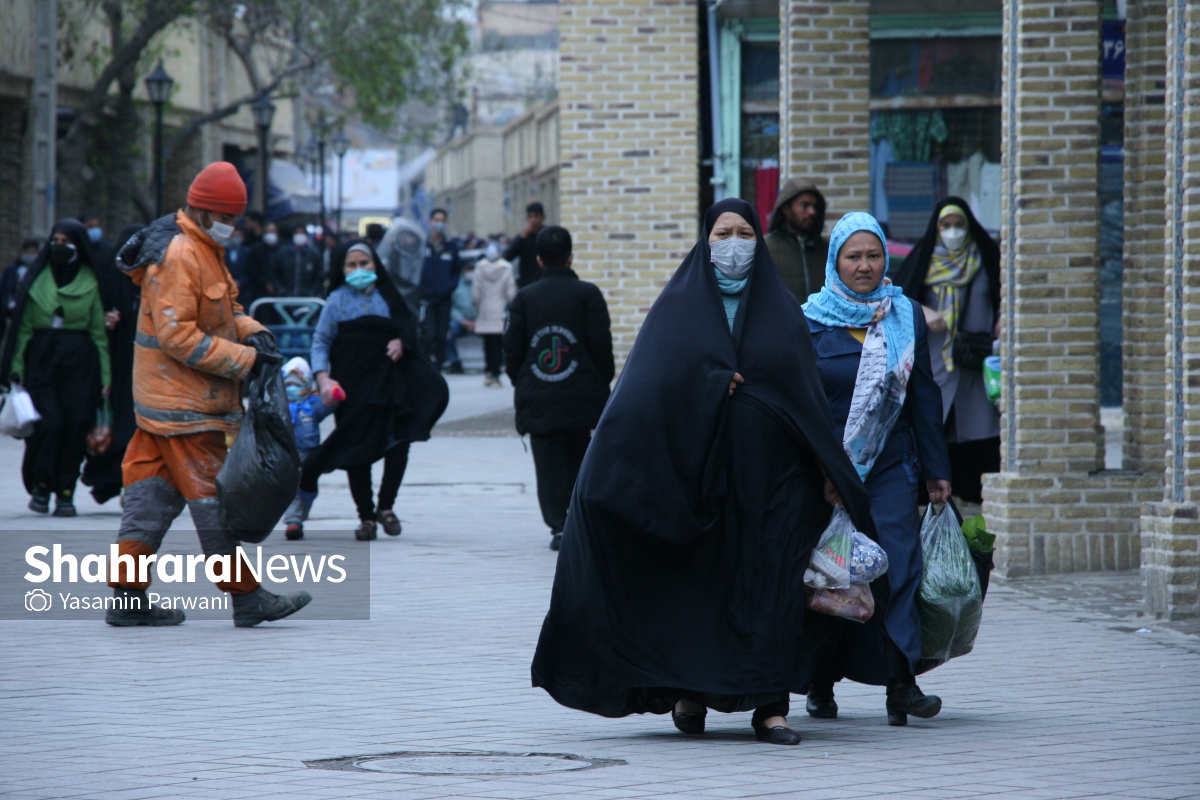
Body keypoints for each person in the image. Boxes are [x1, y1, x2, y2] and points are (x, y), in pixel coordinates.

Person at [530, 200, 875, 745]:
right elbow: (648, 388)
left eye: (744, 233)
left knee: (769, 591)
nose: (734, 243)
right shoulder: (679, 308)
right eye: (723, 233)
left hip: (775, 487)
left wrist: (830, 469)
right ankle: (692, 694)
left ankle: (770, 708)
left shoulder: (782, 311)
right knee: (701, 591)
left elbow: (807, 398)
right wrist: (708, 384)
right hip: (700, 483)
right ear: (705, 241)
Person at [103, 161, 311, 628]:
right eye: (226, 217)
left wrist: (253, 332)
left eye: (236, 218)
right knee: (214, 505)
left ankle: (127, 598)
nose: (232, 227)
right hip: (185, 409)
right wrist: (244, 361)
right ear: (200, 210)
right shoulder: (180, 256)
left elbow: (224, 312)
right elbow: (179, 338)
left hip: (163, 407)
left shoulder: (204, 248)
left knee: (148, 502)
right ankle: (246, 597)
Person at [802, 211, 952, 727]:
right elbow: (800, 401)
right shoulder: (809, 318)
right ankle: (820, 683)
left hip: (890, 464)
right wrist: (819, 470)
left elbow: (924, 396)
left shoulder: (903, 314)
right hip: (827, 469)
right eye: (853, 256)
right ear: (835, 262)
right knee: (831, 575)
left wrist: (936, 469)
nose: (864, 266)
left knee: (897, 565)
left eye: (873, 256)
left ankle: (901, 684)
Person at [301, 239, 449, 540]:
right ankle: (366, 517)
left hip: (389, 384)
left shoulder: (388, 297)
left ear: (375, 265)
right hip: (351, 386)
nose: (359, 270)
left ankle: (386, 508)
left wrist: (401, 342)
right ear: (342, 269)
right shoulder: (336, 302)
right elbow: (321, 342)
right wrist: (323, 378)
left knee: (398, 442)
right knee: (357, 448)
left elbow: (408, 329)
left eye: (364, 263)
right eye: (352, 265)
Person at [503, 226, 611, 549]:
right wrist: (598, 381)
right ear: (570, 257)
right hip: (582, 395)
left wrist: (523, 381)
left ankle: (559, 526)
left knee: (548, 462)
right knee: (580, 455)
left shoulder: (523, 299)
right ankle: (580, 520)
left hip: (539, 394)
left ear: (538, 259)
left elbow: (512, 351)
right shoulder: (588, 294)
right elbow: (601, 347)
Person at [893, 198, 1001, 504]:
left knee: (979, 431)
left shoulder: (985, 259)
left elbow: (1005, 295)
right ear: (936, 228)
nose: (953, 232)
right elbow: (898, 300)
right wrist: (923, 312)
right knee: (934, 426)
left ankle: (979, 501)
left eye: (959, 225)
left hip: (977, 365)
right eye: (946, 225)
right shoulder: (925, 260)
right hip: (936, 364)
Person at [0, 219, 111, 517]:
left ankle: (65, 491)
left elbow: (99, 335)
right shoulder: (36, 280)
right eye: (56, 240)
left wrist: (106, 377)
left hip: (80, 362)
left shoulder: (91, 279)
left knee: (76, 425)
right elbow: (22, 328)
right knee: (49, 423)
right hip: (42, 359)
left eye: (67, 241)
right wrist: (15, 368)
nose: (59, 246)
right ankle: (41, 484)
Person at [80, 223, 144, 505]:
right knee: (118, 426)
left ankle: (132, 483)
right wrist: (106, 321)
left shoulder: (152, 278)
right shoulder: (109, 278)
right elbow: (93, 316)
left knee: (136, 428)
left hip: (143, 367)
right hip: (113, 365)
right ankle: (113, 479)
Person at [280, 357, 339, 540]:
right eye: (288, 383)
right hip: (287, 455)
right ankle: (293, 522)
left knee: (308, 490)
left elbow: (327, 405)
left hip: (309, 454)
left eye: (297, 383)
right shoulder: (279, 406)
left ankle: (300, 515)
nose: (292, 387)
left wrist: (335, 395)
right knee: (291, 488)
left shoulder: (312, 405)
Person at [765, 179, 828, 303]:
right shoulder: (766, 248)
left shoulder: (826, 249)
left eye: (814, 206)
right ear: (786, 209)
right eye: (804, 205)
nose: (812, 212)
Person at [419, 208, 462, 369]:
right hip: (427, 299)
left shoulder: (451, 246)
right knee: (428, 334)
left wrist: (448, 288)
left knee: (442, 336)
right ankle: (425, 367)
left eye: (442, 220)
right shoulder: (422, 244)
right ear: (430, 222)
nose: (439, 223)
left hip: (444, 299)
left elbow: (456, 271)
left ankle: (438, 368)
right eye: (436, 219)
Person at [473, 242, 517, 387]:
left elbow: (475, 293)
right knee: (498, 345)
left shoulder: (480, 267)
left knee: (487, 344)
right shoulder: (507, 267)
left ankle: (488, 373)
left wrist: (478, 307)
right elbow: (511, 293)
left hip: (485, 309)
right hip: (500, 309)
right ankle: (497, 375)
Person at [1, 238, 42, 337]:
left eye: (34, 252)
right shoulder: (13, 269)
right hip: (14, 309)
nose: (31, 255)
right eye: (29, 252)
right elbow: (5, 289)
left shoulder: (40, 271)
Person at [270, 225, 325, 297]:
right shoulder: (282, 253)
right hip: (285, 296)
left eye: (302, 233)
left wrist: (313, 291)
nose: (299, 236)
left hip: (307, 297)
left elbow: (319, 275)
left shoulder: (313, 254)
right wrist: (280, 289)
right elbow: (274, 273)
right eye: (297, 233)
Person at [444, 253, 477, 374]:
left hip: (481, 321)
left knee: (497, 330)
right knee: (449, 331)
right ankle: (454, 361)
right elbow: (452, 306)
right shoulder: (456, 284)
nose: (471, 271)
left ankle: (497, 361)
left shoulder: (481, 282)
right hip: (462, 321)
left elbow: (487, 303)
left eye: (473, 269)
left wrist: (478, 321)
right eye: (468, 269)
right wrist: (463, 321)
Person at [503, 201, 546, 288]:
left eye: (536, 216)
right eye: (530, 217)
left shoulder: (547, 235)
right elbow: (507, 257)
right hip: (527, 284)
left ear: (543, 217)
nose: (533, 220)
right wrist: (521, 238)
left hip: (545, 282)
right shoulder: (523, 237)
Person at [242, 220, 282, 305]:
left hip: (279, 292)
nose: (270, 234)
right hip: (259, 291)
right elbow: (252, 269)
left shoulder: (282, 250)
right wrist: (265, 283)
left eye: (273, 231)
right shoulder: (256, 249)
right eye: (268, 232)